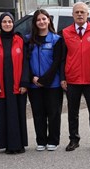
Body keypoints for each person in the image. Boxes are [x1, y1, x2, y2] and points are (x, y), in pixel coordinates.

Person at [60, 2, 90, 152]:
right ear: (72, 15)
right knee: (72, 113)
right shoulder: (65, 32)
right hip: (72, 79)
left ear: (87, 14)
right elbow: (62, 58)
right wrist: (63, 77)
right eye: (77, 12)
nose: (80, 14)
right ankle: (74, 140)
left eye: (82, 12)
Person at [25, 9, 64, 151]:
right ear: (34, 22)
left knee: (53, 113)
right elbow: (25, 62)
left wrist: (45, 80)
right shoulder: (28, 40)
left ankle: (53, 140)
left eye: (44, 19)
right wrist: (32, 78)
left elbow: (57, 62)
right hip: (34, 84)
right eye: (38, 20)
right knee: (38, 113)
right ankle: (41, 140)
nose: (41, 22)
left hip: (53, 84)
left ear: (49, 20)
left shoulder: (57, 39)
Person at [0, 12, 29, 154]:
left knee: (18, 113)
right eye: (4, 22)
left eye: (10, 21)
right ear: (0, 24)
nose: (7, 24)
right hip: (1, 84)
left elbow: (26, 62)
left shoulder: (20, 40)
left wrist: (24, 82)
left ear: (13, 23)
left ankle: (19, 144)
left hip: (18, 84)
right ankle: (7, 144)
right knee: (3, 114)